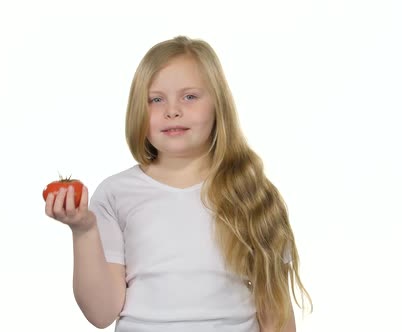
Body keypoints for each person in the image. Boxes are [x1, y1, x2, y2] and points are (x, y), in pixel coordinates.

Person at [45, 35, 312, 332]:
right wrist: (83, 231)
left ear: (218, 105)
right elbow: (101, 313)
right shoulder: (115, 195)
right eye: (156, 99)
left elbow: (275, 309)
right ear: (138, 110)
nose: (172, 110)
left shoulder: (249, 191)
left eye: (190, 96)